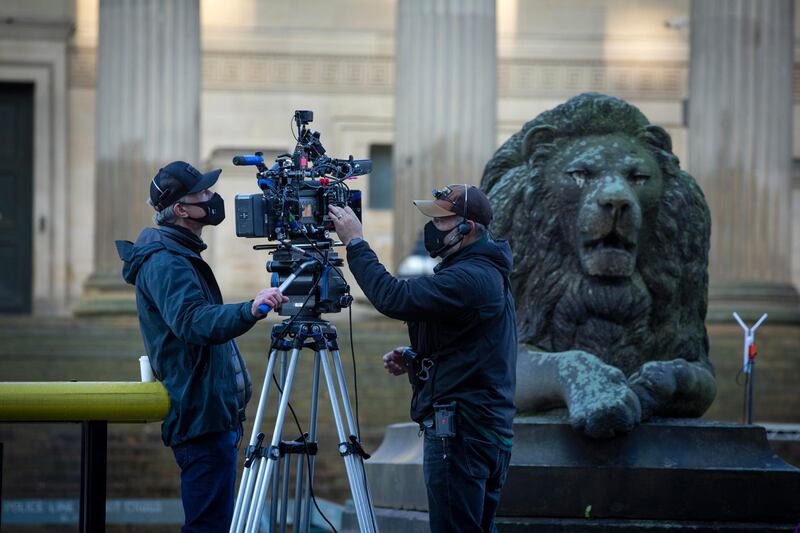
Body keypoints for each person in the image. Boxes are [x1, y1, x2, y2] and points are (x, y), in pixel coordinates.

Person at [328, 184, 517, 532]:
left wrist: (355, 242)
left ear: (467, 228)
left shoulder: (471, 277)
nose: (431, 228)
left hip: (462, 434)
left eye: (441, 221)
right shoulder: (484, 271)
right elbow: (472, 347)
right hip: (481, 428)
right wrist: (417, 357)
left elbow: (393, 297)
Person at [116, 161, 287, 532]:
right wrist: (249, 309)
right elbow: (193, 322)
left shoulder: (178, 254)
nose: (212, 198)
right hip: (202, 418)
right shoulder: (166, 261)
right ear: (180, 209)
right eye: (203, 194)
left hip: (214, 415)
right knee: (208, 526)